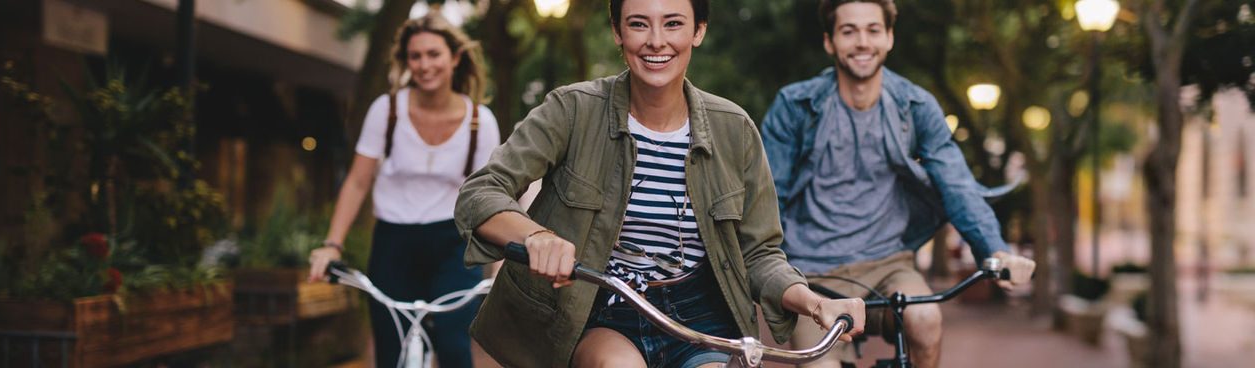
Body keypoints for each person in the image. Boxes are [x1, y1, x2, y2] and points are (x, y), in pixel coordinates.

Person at [454, 0, 867, 367]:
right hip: (605, 307)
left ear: (698, 31)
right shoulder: (572, 109)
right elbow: (480, 193)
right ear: (617, 31)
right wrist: (537, 236)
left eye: (672, 24)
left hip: (700, 314)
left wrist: (815, 304)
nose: (656, 41)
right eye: (638, 24)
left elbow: (759, 254)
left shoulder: (735, 130)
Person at [759, 1, 1037, 367]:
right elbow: (767, 199)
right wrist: (769, 272)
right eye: (848, 31)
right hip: (812, 273)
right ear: (829, 42)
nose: (862, 42)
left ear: (889, 37)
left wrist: (994, 249)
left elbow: (956, 184)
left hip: (890, 264)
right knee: (819, 365)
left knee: (926, 320)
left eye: (873, 30)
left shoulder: (916, 106)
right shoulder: (795, 106)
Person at [306, 13, 499, 368]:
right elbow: (358, 181)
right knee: (390, 348)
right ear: (406, 61)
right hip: (393, 242)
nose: (424, 65)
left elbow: (491, 196)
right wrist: (331, 246)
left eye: (433, 54)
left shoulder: (479, 122)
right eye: (415, 56)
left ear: (455, 58)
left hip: (454, 245)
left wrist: (502, 264)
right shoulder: (387, 110)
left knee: (454, 344)